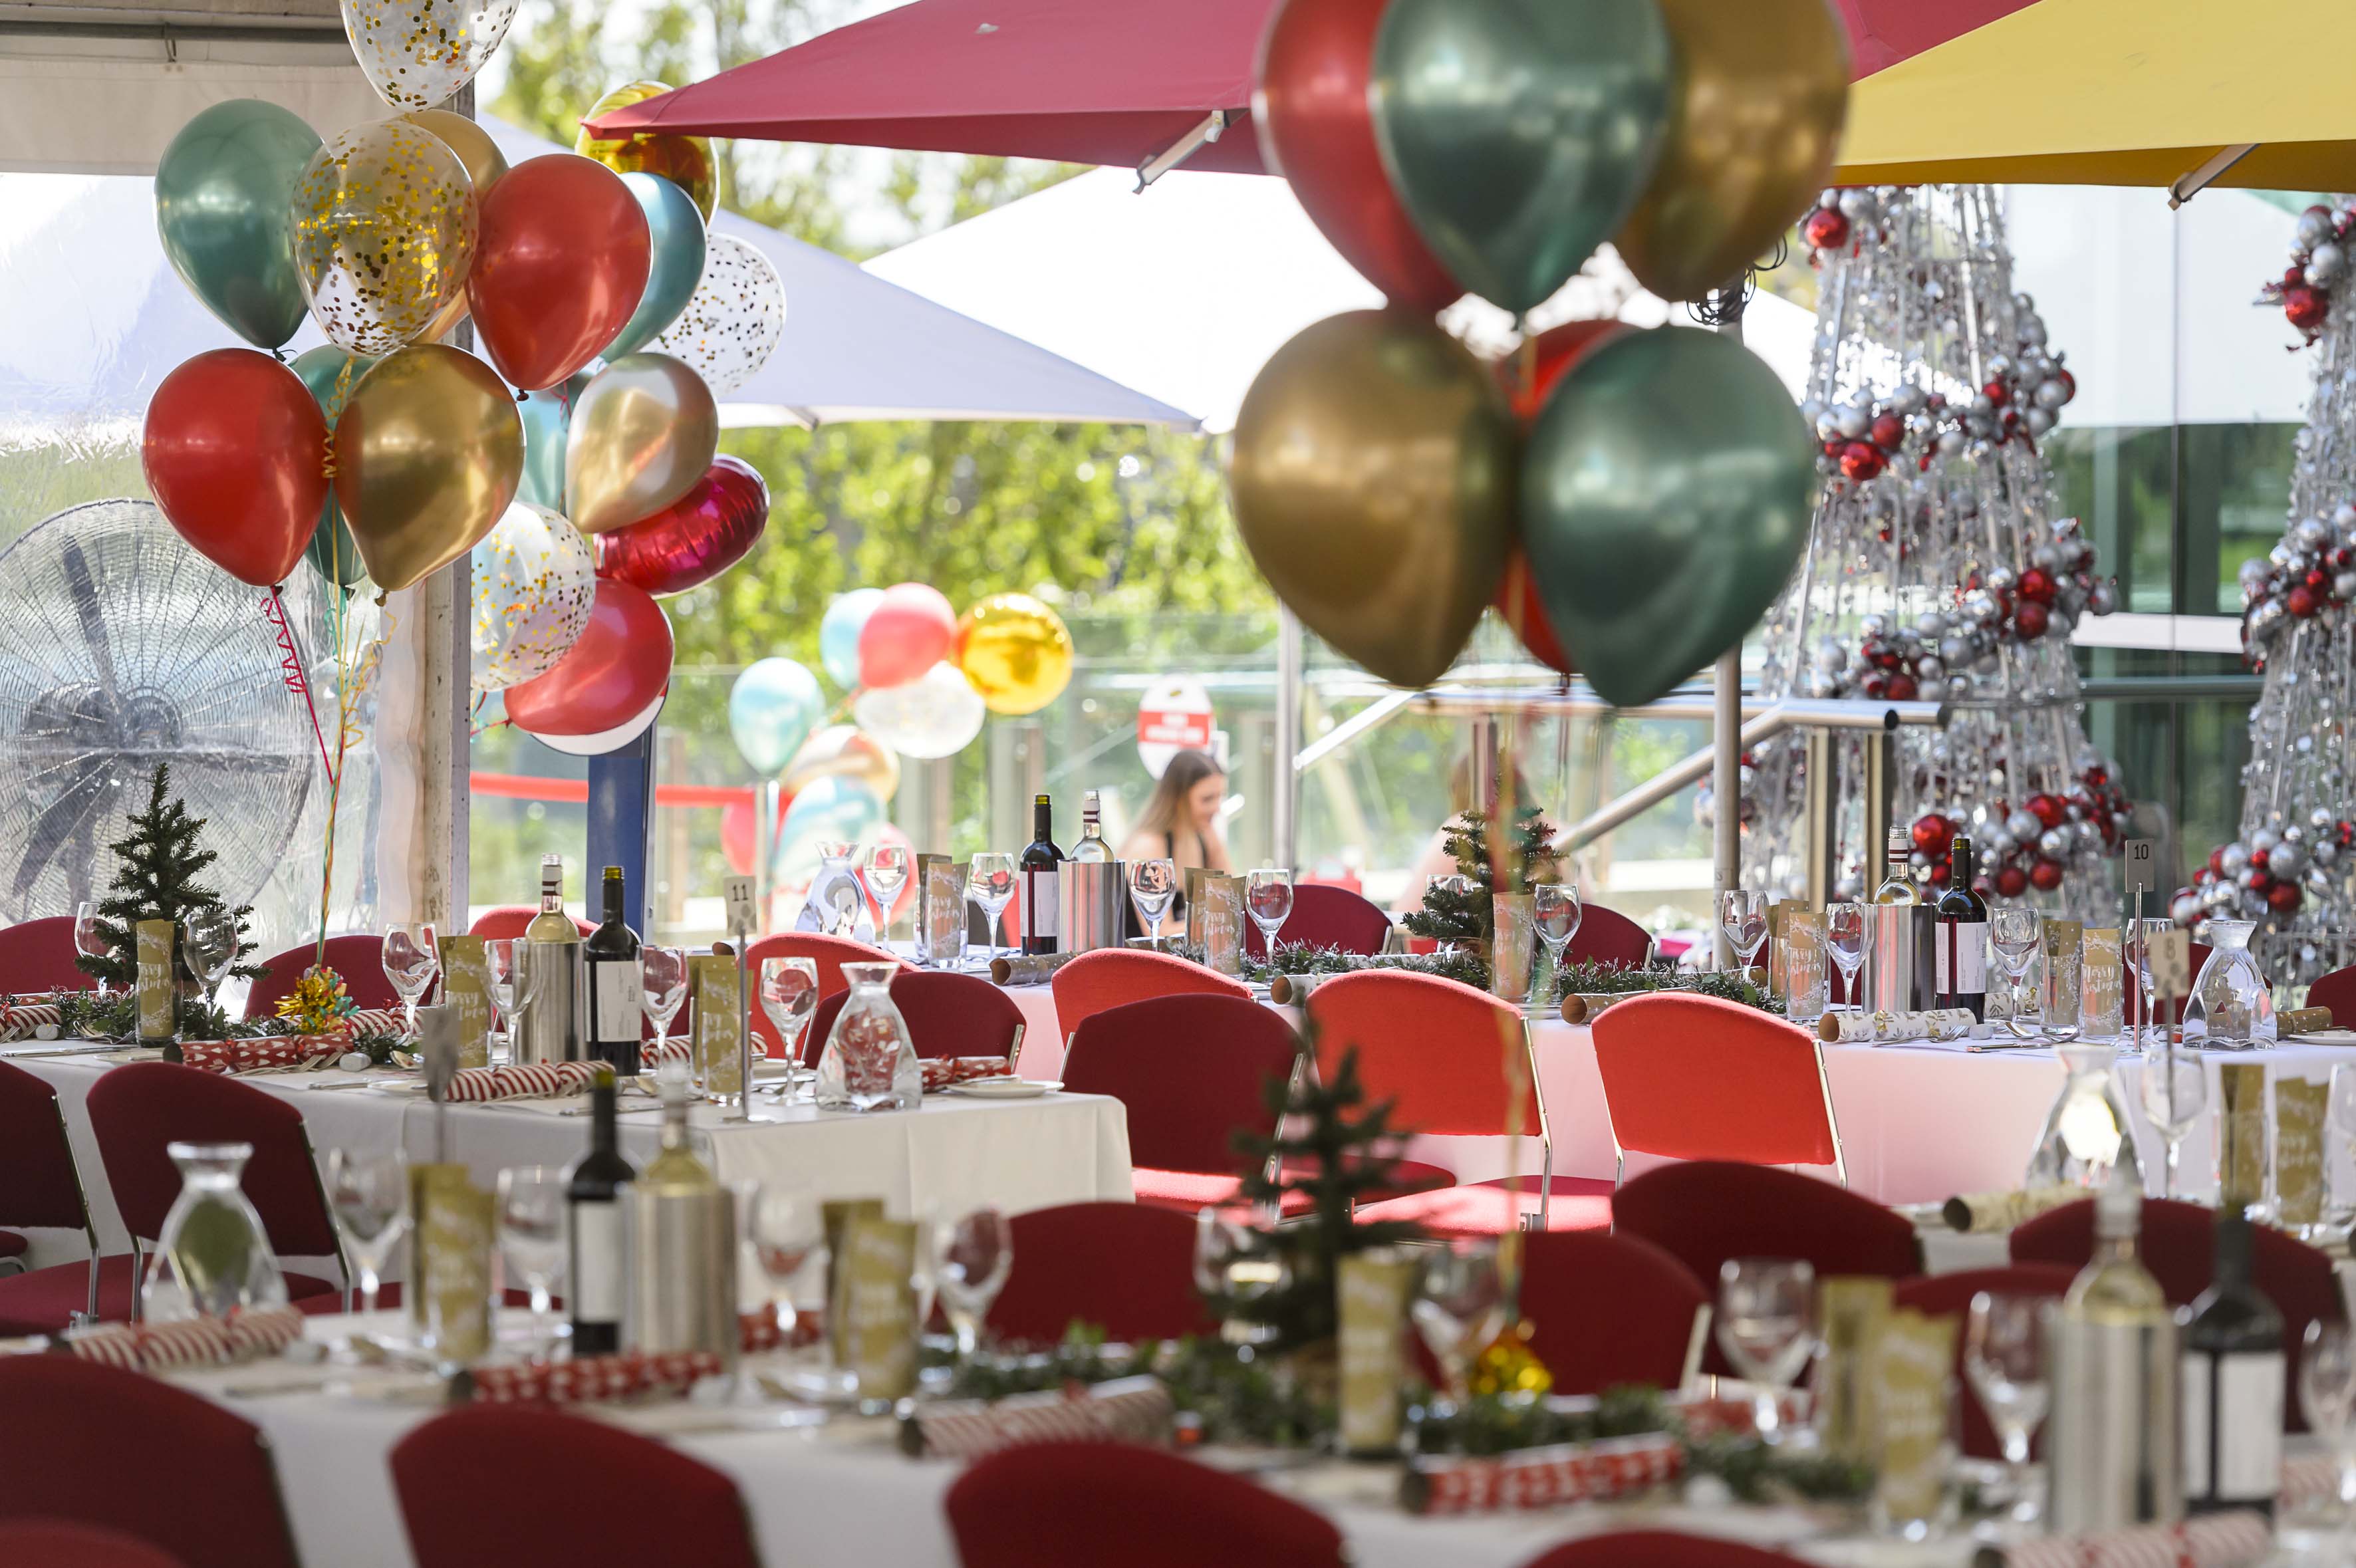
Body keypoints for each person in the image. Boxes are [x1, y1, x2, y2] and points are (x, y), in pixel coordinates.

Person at [1119, 749, 1231, 928]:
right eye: (1207, 799)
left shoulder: (1204, 836)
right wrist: (1220, 922)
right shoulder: (1149, 846)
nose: (1216, 808)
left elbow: (1231, 900)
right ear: (1178, 799)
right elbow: (1159, 931)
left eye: (1220, 797)